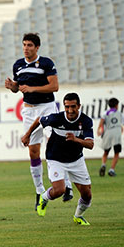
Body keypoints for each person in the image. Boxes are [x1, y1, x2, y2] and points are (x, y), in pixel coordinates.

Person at [4, 33, 73, 207]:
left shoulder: (46, 63)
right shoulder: (18, 65)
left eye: (29, 45)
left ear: (37, 48)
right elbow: (19, 88)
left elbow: (54, 86)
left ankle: (67, 185)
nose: (26, 48)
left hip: (47, 108)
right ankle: (39, 190)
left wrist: (33, 88)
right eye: (24, 45)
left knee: (56, 144)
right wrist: (13, 86)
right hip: (29, 110)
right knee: (33, 152)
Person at [22, 93, 94, 225]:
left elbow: (90, 144)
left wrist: (76, 139)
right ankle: (43, 198)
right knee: (59, 190)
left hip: (76, 160)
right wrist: (27, 135)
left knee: (87, 195)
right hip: (56, 158)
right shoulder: (57, 118)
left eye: (73, 107)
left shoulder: (86, 121)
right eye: (67, 107)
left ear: (79, 106)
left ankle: (78, 216)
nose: (70, 110)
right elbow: (39, 120)